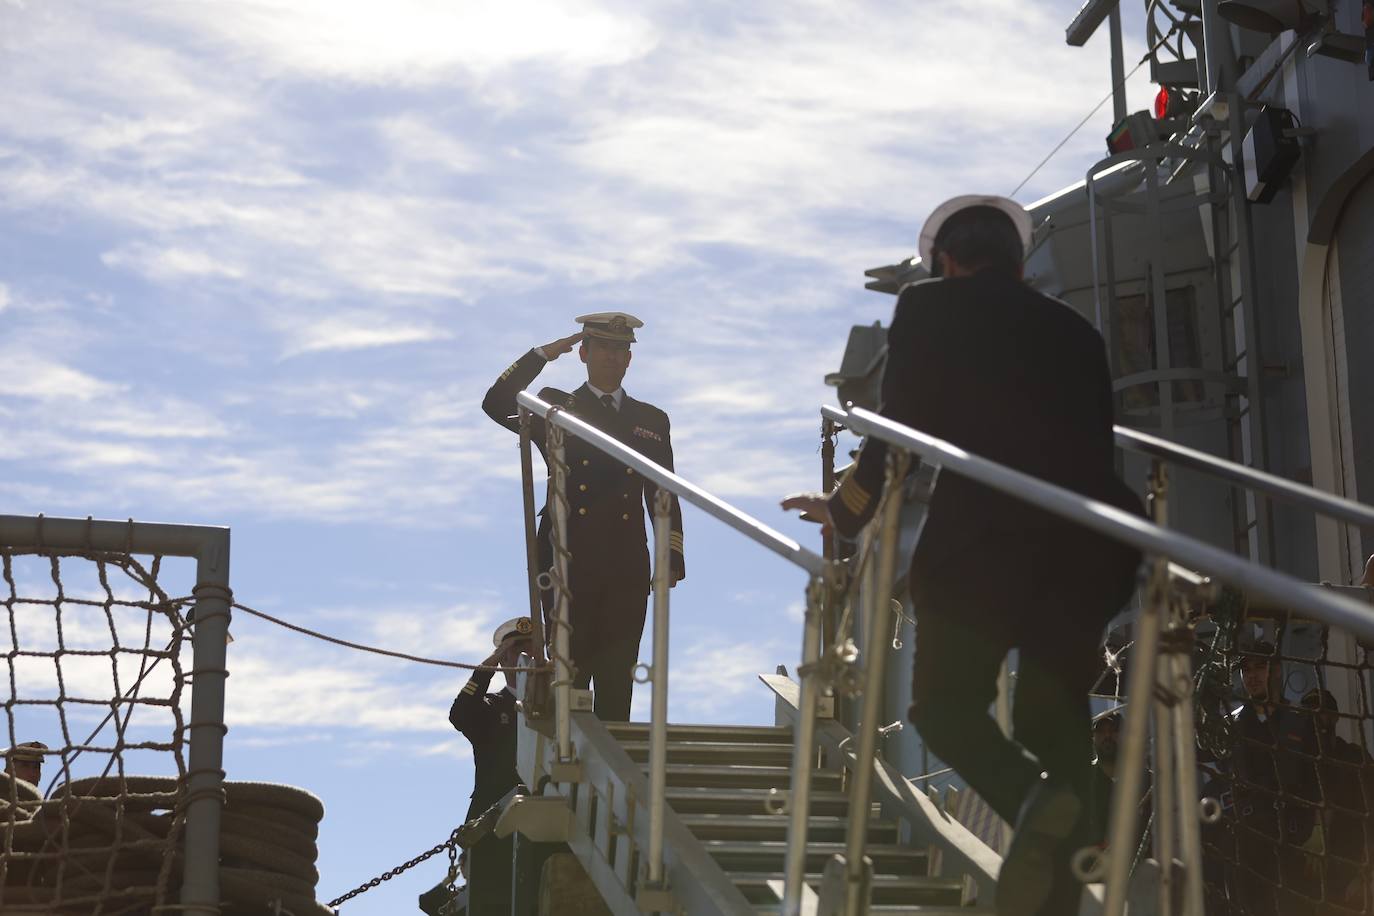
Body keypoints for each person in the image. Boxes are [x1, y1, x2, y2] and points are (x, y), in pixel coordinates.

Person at [782, 195, 1143, 916]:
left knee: (944, 709)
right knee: (1052, 715)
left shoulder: (929, 309)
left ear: (946, 262)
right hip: (1087, 547)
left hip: (984, 545)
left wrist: (846, 514)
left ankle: (1034, 803)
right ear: (1016, 258)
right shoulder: (1078, 333)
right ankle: (1066, 871)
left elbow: (896, 434)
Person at [482, 313, 685, 721]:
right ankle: (567, 755)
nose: (612, 357)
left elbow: (663, 490)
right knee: (571, 670)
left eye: (621, 350)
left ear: (629, 360)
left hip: (627, 558)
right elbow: (496, 402)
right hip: (566, 557)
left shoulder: (651, 419)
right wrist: (543, 354)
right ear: (584, 353)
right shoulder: (554, 404)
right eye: (604, 348)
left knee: (618, 672)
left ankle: (617, 761)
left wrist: (672, 554)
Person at [444, 617, 533, 916]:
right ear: (505, 658)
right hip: (492, 826)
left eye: (533, 648)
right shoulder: (493, 708)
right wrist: (487, 668)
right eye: (517, 649)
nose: (526, 656)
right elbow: (460, 714)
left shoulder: (559, 706)